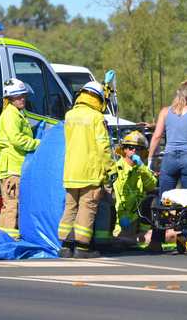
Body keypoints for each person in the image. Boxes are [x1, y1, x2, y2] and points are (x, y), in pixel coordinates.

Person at [147, 84, 187, 251]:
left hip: (169, 159)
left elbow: (157, 136)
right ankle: (186, 237)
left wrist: (150, 158)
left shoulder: (165, 112)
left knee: (164, 199)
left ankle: (156, 240)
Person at [58, 81, 114, 259]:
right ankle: (82, 248)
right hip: (90, 172)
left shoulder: (69, 115)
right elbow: (103, 148)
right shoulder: (96, 118)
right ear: (97, 97)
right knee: (87, 208)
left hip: (71, 172)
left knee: (70, 208)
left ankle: (66, 246)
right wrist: (111, 169)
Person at [0, 78, 40, 239]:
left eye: (23, 95)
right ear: (10, 98)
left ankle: (2, 239)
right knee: (13, 206)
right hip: (12, 169)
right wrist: (38, 144)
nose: (22, 98)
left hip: (14, 167)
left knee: (9, 206)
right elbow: (17, 139)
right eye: (18, 96)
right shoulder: (10, 115)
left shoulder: (17, 114)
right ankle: (10, 240)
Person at [109, 131, 157, 246]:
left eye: (139, 148)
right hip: (119, 220)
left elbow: (151, 185)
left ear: (143, 152)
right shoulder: (116, 169)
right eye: (130, 147)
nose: (134, 151)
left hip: (138, 220)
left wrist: (141, 167)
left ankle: (140, 239)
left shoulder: (142, 170)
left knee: (152, 199)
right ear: (124, 150)